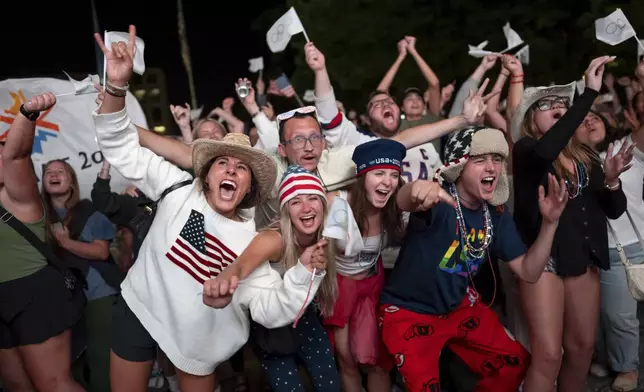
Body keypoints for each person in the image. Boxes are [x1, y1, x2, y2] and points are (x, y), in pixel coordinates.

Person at [94, 26, 326, 392]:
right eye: (222, 163)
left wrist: (305, 273)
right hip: (139, 308)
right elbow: (120, 145)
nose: (232, 169)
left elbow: (272, 309)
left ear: (249, 187)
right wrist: (116, 87)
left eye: (242, 168)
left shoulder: (250, 242)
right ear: (205, 174)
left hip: (199, 343)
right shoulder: (175, 188)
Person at [380, 125, 568, 392]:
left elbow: (529, 272)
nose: (491, 167)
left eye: (496, 160)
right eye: (480, 160)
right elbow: (403, 201)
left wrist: (550, 224)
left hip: (457, 308)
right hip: (408, 312)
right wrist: (414, 190)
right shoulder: (438, 199)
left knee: (514, 363)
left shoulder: (495, 216)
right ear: (459, 167)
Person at [512, 56, 633, 392]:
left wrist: (610, 181)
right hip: (543, 259)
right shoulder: (527, 151)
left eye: (561, 104)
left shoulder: (586, 156)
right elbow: (547, 150)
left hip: (581, 257)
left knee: (581, 350)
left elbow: (614, 211)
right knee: (549, 355)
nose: (557, 107)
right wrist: (588, 96)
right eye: (546, 104)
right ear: (531, 120)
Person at [212, 165, 341, 392]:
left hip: (305, 317)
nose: (306, 208)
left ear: (323, 204)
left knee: (329, 382)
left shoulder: (328, 236)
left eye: (313, 198)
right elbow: (239, 267)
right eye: (295, 202)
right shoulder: (275, 239)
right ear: (286, 210)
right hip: (268, 325)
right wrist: (225, 279)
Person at [0, 92, 86, 392]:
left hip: (33, 291)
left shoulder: (17, 197)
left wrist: (26, 114)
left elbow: (16, 154)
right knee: (17, 385)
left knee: (52, 384)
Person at [324, 139, 410, 392]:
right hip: (340, 289)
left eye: (394, 175)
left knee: (380, 361)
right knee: (347, 360)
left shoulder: (395, 205)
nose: (388, 181)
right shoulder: (337, 203)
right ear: (363, 177)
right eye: (379, 173)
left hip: (373, 285)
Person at [42, 159, 119, 392]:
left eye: (60, 171)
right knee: (68, 362)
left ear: (72, 181)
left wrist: (65, 242)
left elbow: (100, 251)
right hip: (61, 299)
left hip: (99, 294)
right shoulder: (37, 215)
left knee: (100, 358)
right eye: (48, 172)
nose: (54, 175)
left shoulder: (88, 210)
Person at [583, 109, 644, 392]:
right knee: (595, 314)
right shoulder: (572, 159)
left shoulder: (627, 147)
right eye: (583, 119)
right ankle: (606, 357)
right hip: (590, 249)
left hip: (626, 243)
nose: (590, 121)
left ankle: (627, 367)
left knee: (620, 316)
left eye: (595, 117)